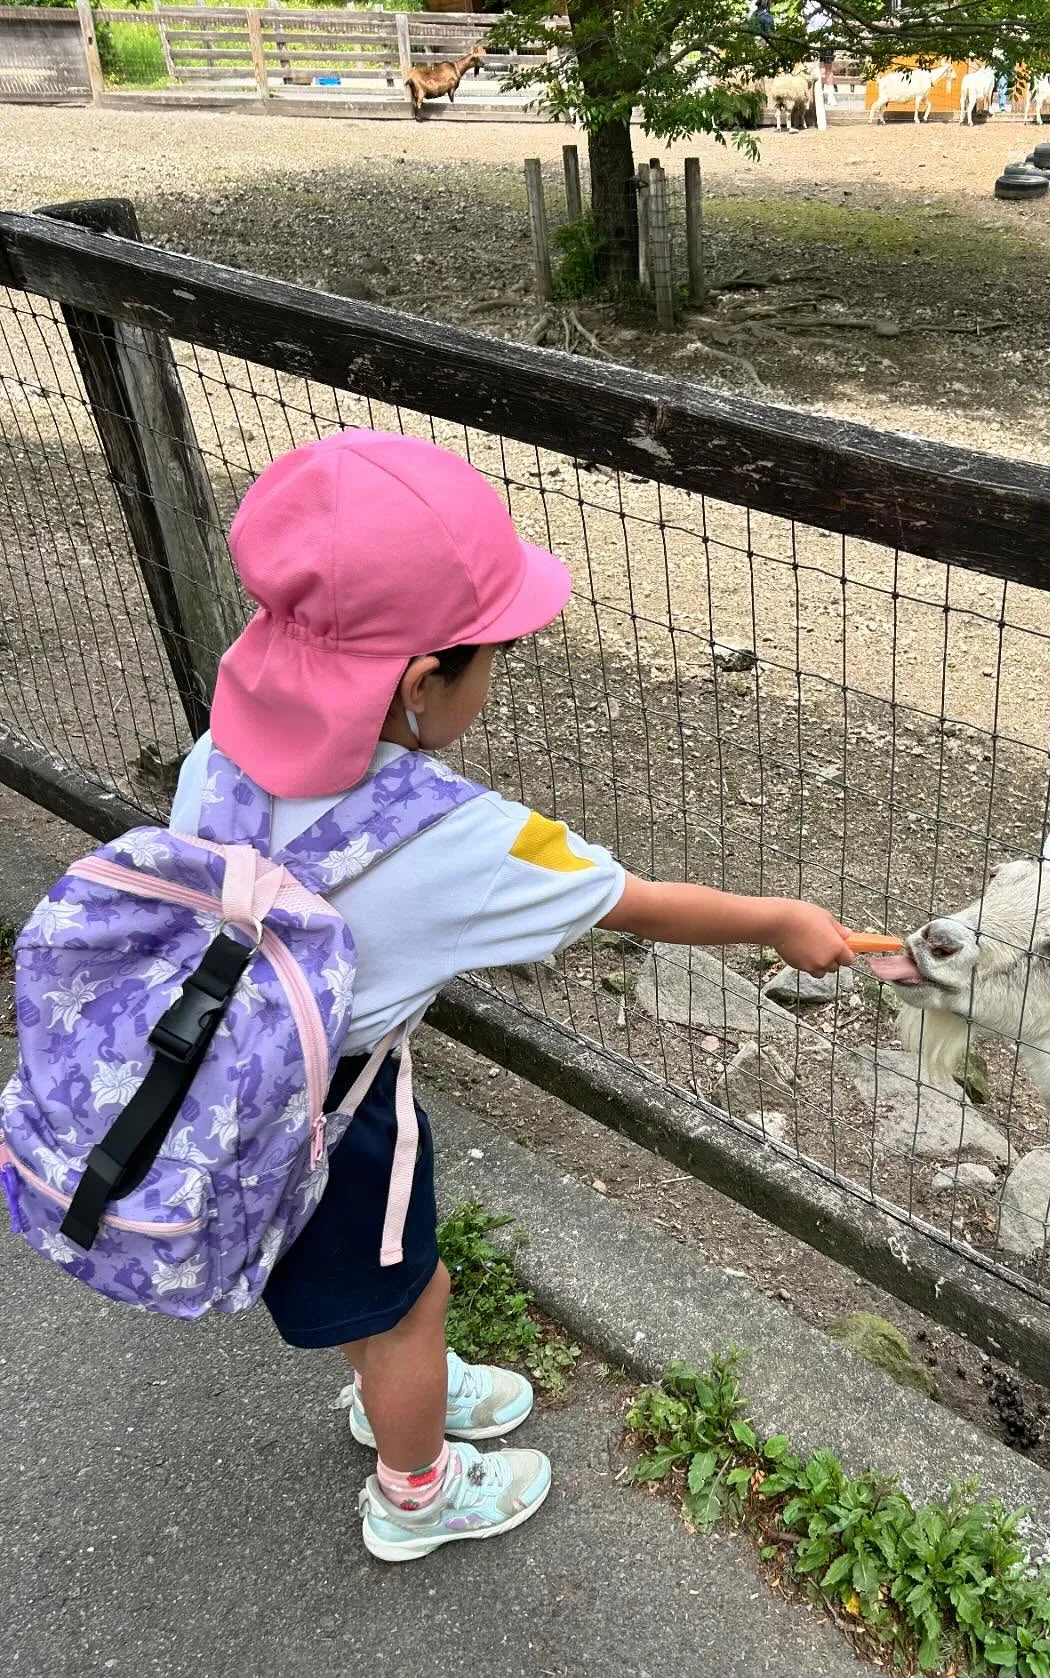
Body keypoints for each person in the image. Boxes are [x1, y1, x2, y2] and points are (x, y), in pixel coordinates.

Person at [169, 428, 855, 1562]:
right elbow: (631, 900)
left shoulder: (223, 754)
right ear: (424, 682)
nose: (499, 673)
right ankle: (416, 1487)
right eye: (497, 655)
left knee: (385, 1281)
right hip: (339, 1113)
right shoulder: (457, 842)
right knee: (403, 1300)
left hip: (234, 1075)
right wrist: (785, 923)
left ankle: (402, 1384)